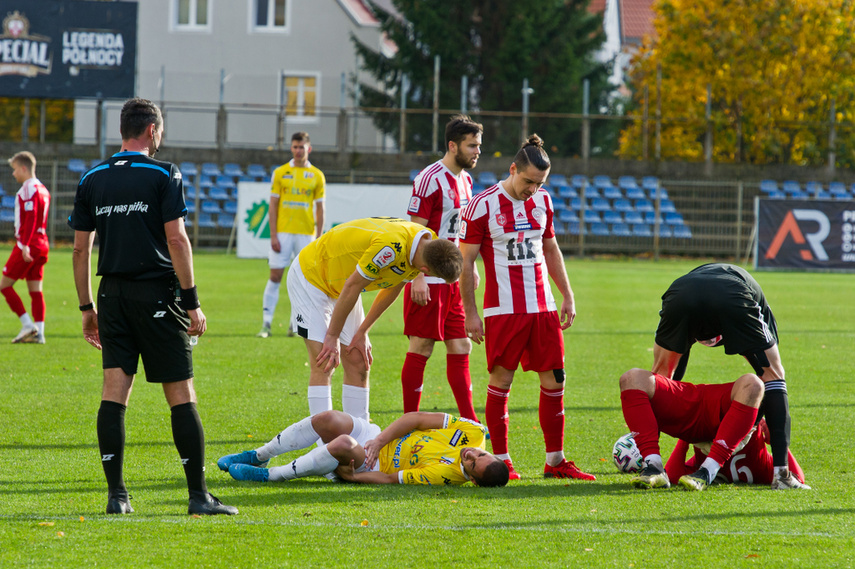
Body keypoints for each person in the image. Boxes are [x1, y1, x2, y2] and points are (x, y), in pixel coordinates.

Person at [69, 97, 237, 516]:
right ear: (152, 131)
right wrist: (193, 302)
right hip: (157, 294)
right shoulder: (164, 173)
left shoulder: (91, 176)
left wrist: (87, 307)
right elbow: (177, 240)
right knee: (180, 393)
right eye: (160, 131)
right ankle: (199, 497)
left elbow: (79, 250)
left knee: (114, 392)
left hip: (111, 295)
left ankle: (117, 497)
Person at [458, 134, 594, 482]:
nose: (531, 189)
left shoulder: (543, 202)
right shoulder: (481, 205)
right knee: (502, 380)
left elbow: (550, 249)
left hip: (543, 307)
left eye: (539, 184)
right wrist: (470, 313)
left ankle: (555, 461)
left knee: (555, 380)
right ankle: (502, 460)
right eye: (527, 181)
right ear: (512, 168)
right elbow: (466, 262)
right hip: (503, 310)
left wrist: (567, 294)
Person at [288, 216, 463, 422]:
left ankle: (359, 438)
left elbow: (392, 288)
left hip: (341, 284)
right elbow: (353, 285)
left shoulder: (428, 243)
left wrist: (363, 331)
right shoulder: (390, 248)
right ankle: (324, 446)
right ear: (426, 271)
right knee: (324, 361)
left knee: (358, 359)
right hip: (312, 276)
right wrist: (332, 335)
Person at [653, 262, 807, 489]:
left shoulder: (692, 286)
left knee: (659, 376)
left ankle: (648, 462)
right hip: (731, 291)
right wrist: (753, 419)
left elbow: (668, 380)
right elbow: (769, 377)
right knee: (774, 374)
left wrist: (686, 428)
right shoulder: (757, 305)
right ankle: (781, 475)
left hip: (681, 291)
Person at [402, 115, 482, 421]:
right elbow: (414, 231)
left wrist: (468, 266)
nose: (477, 151)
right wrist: (418, 276)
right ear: (453, 145)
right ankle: (410, 421)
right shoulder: (429, 178)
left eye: (478, 145)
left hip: (453, 279)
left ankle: (471, 420)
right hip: (429, 279)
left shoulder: (466, 180)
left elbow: (459, 231)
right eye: (471, 145)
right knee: (422, 346)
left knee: (461, 345)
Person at [217, 411, 509, 487]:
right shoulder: (474, 432)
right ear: (490, 452)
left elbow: (389, 479)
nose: (470, 454)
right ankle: (258, 456)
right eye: (480, 454)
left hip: (374, 463)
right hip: (378, 437)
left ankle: (271, 476)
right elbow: (415, 419)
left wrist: (354, 477)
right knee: (328, 419)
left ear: (470, 478)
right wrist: (379, 439)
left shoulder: (446, 475)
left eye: (472, 464)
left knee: (343, 443)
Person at [620, 367, 770, 491]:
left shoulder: (759, 462)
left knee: (754, 384)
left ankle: (705, 472)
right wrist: (774, 430)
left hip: (720, 424)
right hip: (727, 415)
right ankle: (655, 466)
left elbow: (673, 473)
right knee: (631, 377)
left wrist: (685, 441)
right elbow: (794, 473)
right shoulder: (762, 462)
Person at [257, 132, 325, 338]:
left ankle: (294, 325)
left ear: (308, 149)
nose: (298, 151)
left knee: (302, 281)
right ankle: (266, 324)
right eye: (295, 147)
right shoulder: (280, 172)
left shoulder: (317, 176)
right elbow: (273, 205)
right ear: (291, 148)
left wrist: (319, 238)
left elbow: (320, 209)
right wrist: (274, 235)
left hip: (306, 234)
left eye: (301, 147)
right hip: (284, 232)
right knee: (275, 275)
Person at [663, 418, 807, 488]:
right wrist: (777, 442)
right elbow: (797, 477)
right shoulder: (763, 468)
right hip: (746, 427)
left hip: (713, 434)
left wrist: (685, 437)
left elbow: (671, 474)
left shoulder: (701, 454)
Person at [2, 151, 50, 344]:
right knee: (35, 290)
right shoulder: (43, 188)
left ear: (23, 168)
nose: (13, 174)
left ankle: (27, 324)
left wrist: (25, 245)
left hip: (28, 244)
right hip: (42, 243)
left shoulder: (28, 188)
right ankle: (40, 333)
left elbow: (30, 218)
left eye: (14, 170)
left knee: (4, 286)